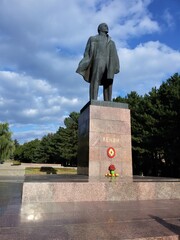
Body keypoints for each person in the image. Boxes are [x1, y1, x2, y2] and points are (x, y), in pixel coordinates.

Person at [76, 23, 120, 101]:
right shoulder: (93, 39)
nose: (106, 27)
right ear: (99, 29)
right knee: (95, 80)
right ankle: (93, 100)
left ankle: (108, 101)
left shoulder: (112, 42)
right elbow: (87, 52)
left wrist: (116, 66)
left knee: (108, 82)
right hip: (97, 61)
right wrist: (86, 61)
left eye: (107, 26)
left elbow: (115, 55)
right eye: (104, 25)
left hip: (109, 63)